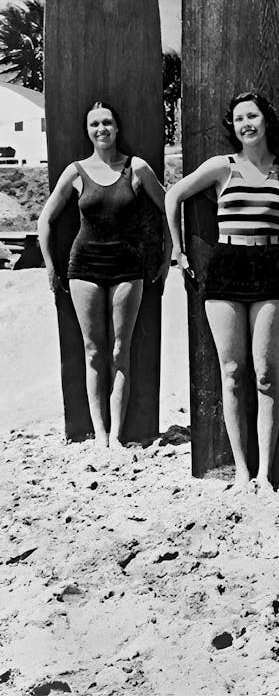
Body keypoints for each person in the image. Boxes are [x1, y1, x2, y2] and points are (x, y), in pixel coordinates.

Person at [165, 91, 279, 493]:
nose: (246, 124)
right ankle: (242, 472)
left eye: (253, 115)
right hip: (226, 268)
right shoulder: (221, 167)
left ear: (266, 120)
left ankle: (265, 472)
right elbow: (173, 195)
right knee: (232, 373)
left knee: (267, 375)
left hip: (273, 269)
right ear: (232, 127)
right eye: (238, 119)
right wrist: (178, 252)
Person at [38, 100, 171, 450]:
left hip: (129, 267)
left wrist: (170, 253)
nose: (102, 129)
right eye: (95, 124)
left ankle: (116, 435)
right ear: (87, 130)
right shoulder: (75, 171)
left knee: (119, 351)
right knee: (94, 351)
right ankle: (99, 435)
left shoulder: (136, 168)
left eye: (107, 123)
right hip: (83, 268)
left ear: (117, 127)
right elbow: (45, 221)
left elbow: (168, 208)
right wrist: (51, 268)